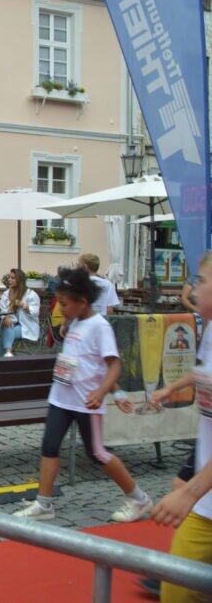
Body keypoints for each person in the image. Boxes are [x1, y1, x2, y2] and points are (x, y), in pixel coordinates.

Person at [13, 267, 151, 523]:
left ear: (83, 302)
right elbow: (83, 360)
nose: (60, 309)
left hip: (86, 402)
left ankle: (139, 498)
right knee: (49, 446)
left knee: (97, 453)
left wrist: (106, 391)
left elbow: (113, 365)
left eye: (64, 304)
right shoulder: (75, 321)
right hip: (61, 398)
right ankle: (44, 503)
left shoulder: (100, 326)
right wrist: (68, 322)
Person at [148, 251, 212, 603]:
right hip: (207, 502)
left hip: (202, 494)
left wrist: (188, 493)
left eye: (201, 281)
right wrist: (171, 388)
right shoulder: (211, 329)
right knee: (176, 590)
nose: (192, 289)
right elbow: (203, 372)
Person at [0, 268, 41, 357]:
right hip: (12, 323)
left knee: (6, 332)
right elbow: (3, 310)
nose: (9, 280)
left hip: (27, 326)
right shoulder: (6, 294)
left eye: (13, 278)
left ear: (20, 280)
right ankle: (8, 353)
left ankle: (4, 357)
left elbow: (36, 311)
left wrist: (24, 305)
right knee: (8, 325)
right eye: (9, 277)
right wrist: (5, 317)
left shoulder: (31, 294)